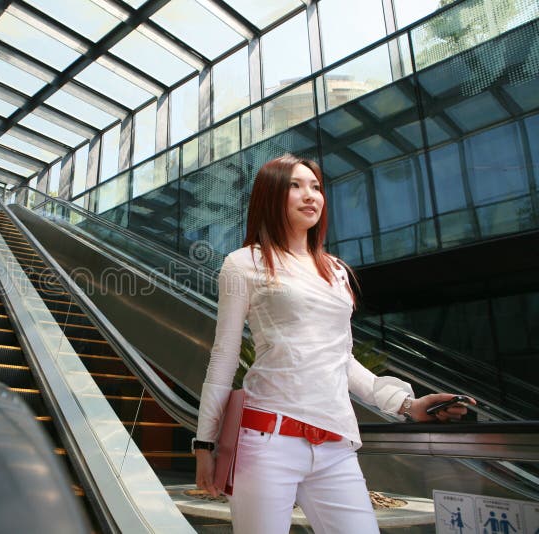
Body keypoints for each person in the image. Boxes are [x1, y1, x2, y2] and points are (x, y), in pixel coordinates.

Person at [193, 154, 475, 534]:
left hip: (335, 445)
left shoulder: (335, 271)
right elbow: (224, 357)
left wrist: (408, 405)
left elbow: (343, 361)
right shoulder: (243, 263)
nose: (310, 195)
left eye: (316, 187)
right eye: (295, 185)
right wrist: (205, 444)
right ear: (270, 195)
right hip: (267, 441)